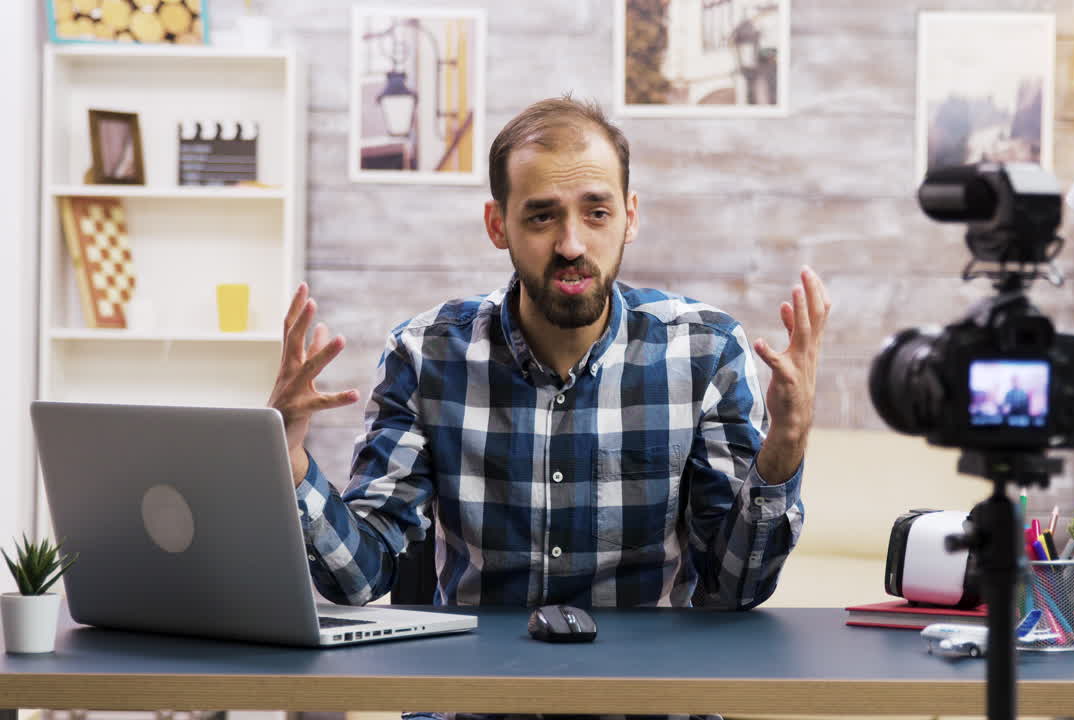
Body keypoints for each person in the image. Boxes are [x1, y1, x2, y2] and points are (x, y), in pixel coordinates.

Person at [268, 96, 829, 613]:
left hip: (647, 682)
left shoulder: (706, 352)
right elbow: (359, 579)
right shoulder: (425, 355)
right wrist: (288, 458)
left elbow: (735, 587)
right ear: (498, 225)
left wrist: (785, 445)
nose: (571, 245)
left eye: (596, 212)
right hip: (474, 679)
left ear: (630, 217)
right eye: (542, 216)